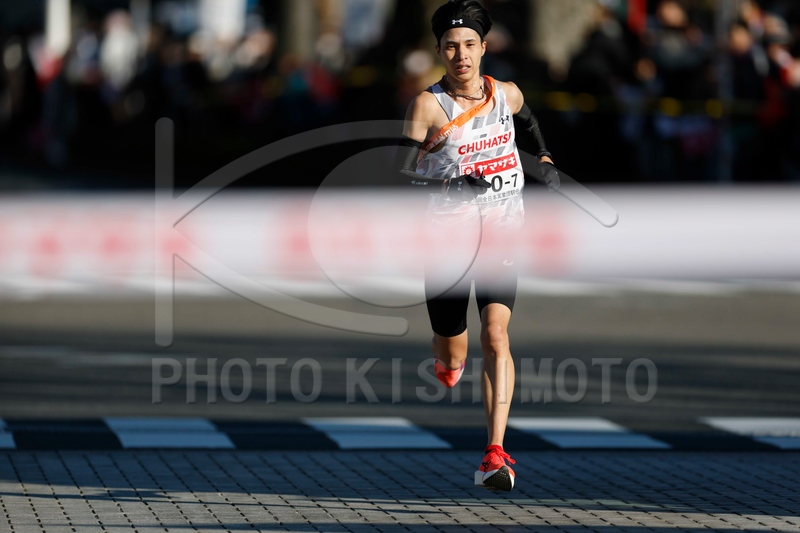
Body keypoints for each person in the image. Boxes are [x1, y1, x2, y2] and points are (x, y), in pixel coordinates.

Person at [394, 0, 559, 491]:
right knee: (453, 350)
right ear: (439, 51)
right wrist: (450, 186)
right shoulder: (427, 107)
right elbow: (400, 177)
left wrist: (544, 158)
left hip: (502, 234)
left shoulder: (506, 93)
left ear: (483, 48)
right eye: (451, 46)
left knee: (497, 335)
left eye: (469, 45)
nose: (461, 55)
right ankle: (447, 359)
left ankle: (494, 453)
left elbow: (528, 120)